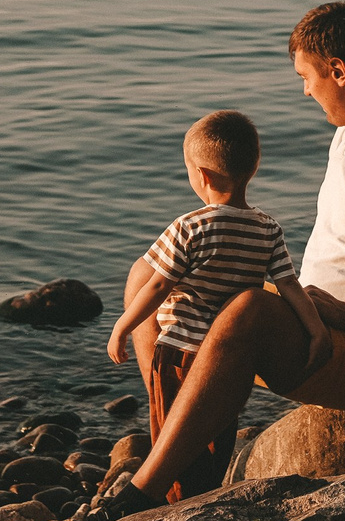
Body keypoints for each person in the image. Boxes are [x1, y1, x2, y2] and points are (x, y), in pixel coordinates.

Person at [97, 1, 345, 514]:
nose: (305, 91)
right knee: (151, 273)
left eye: (306, 76)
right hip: (318, 325)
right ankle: (178, 464)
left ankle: (137, 497)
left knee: (251, 309)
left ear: (338, 71)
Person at [106, 111, 329, 501]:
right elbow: (290, 286)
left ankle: (172, 504)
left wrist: (122, 326)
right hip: (226, 359)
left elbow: (156, 284)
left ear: (203, 176)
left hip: (179, 352)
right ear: (251, 169)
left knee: (172, 429)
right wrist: (317, 332)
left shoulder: (190, 226)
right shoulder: (268, 228)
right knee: (215, 429)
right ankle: (207, 496)